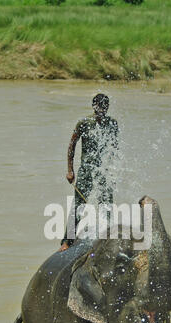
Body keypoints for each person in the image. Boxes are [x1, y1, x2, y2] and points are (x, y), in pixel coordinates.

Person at [59, 93, 119, 251]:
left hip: (104, 171)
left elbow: (113, 149)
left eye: (105, 107)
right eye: (99, 106)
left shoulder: (112, 123)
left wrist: (113, 170)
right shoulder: (84, 123)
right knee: (79, 205)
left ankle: (106, 238)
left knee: (107, 204)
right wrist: (70, 170)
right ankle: (66, 242)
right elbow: (72, 145)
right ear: (94, 106)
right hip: (87, 169)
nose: (102, 110)